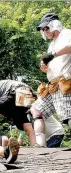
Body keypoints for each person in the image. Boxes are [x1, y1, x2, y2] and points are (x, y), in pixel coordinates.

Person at [30, 12, 71, 146]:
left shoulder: (67, 34)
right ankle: (40, 146)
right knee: (36, 110)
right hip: (52, 86)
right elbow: (51, 64)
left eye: (46, 28)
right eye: (43, 29)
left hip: (64, 81)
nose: (44, 31)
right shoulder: (52, 44)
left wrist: (52, 55)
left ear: (54, 25)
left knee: (67, 116)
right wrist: (44, 66)